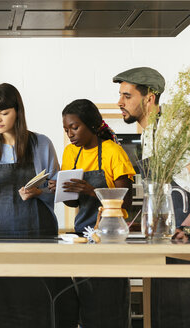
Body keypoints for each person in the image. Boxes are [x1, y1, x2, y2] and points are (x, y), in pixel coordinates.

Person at [113, 67, 190, 327]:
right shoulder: (150, 133)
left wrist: (186, 228)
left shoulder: (172, 131)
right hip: (173, 238)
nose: (120, 102)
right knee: (171, 316)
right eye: (120, 95)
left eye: (127, 96)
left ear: (149, 98)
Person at [0, 83, 79, 328]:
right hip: (3, 235)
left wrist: (38, 191)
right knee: (7, 303)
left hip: (40, 232)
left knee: (42, 299)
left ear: (17, 111)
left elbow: (58, 191)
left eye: (4, 112)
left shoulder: (41, 144)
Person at [48, 99, 135, 327]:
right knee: (84, 305)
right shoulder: (70, 153)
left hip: (110, 239)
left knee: (107, 307)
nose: (70, 134)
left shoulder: (113, 152)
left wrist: (90, 190)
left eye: (74, 127)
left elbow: (125, 201)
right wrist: (62, 191)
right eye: (66, 130)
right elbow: (71, 204)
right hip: (82, 236)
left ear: (92, 125)